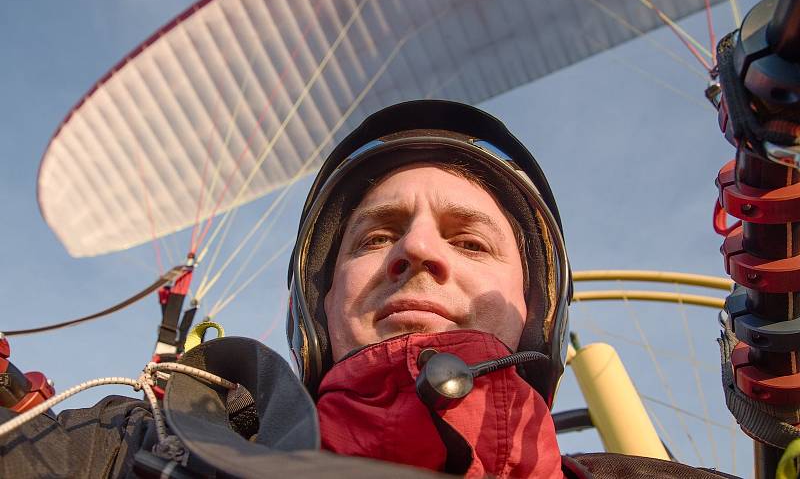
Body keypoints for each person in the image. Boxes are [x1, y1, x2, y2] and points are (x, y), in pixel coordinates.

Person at [0, 100, 739, 479]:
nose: (417, 249)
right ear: (317, 306)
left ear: (538, 313)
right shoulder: (122, 449)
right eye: (377, 235)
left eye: (470, 240)